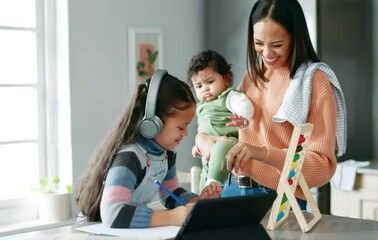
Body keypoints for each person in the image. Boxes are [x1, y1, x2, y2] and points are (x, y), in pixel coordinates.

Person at [195, 0, 347, 209]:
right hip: (229, 188)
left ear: (296, 38)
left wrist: (263, 154)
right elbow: (227, 133)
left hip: (277, 199)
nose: (266, 53)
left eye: (277, 45)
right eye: (258, 43)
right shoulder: (251, 77)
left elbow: (322, 167)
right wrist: (203, 140)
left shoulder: (314, 82)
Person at [75, 70, 221, 228]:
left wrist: (198, 203)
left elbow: (170, 194)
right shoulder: (129, 158)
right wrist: (171, 217)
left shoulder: (166, 154)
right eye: (181, 127)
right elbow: (113, 213)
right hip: (94, 231)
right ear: (153, 123)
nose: (186, 133)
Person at [187, 50, 253, 193]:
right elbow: (203, 130)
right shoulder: (201, 106)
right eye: (198, 86)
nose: (205, 88)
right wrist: (198, 146)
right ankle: (204, 193)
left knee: (222, 148)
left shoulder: (229, 96)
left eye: (210, 82)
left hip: (229, 143)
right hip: (209, 154)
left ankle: (213, 183)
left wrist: (243, 117)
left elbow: (244, 104)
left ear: (226, 78)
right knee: (205, 173)